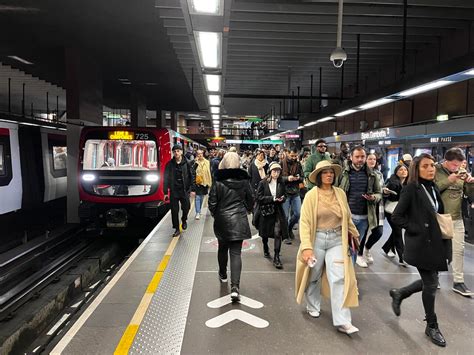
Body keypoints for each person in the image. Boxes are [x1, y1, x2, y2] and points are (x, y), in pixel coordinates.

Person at [390, 153, 452, 347]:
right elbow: (397, 217)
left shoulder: (433, 187)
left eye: (432, 165)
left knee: (430, 281)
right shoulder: (411, 189)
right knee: (432, 284)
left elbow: (437, 213)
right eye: (425, 166)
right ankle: (431, 325)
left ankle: (400, 293)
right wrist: (416, 227)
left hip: (436, 242)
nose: (431, 168)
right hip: (421, 244)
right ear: (417, 169)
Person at [295, 160, 360, 334]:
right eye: (325, 172)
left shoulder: (340, 194)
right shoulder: (311, 195)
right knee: (314, 274)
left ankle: (343, 321)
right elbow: (305, 222)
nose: (329, 175)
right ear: (318, 176)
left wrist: (355, 235)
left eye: (331, 172)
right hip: (317, 239)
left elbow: (347, 217)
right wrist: (307, 248)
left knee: (339, 277)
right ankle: (312, 304)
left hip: (337, 239)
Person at [209, 152, 254, 302]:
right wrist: (246, 208)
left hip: (222, 220)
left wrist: (218, 215)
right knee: (236, 253)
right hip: (239, 219)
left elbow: (212, 203)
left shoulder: (218, 181)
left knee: (222, 248)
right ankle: (235, 288)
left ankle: (223, 274)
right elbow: (251, 201)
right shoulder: (245, 181)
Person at [434, 148, 474, 297]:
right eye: (454, 165)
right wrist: (447, 181)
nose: (456, 168)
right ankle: (434, 276)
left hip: (457, 218)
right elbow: (429, 191)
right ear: (446, 161)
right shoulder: (435, 170)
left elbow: (470, 195)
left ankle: (458, 281)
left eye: (459, 165)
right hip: (438, 217)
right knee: (438, 250)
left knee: (459, 250)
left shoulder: (462, 172)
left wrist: (470, 183)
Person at [336, 146, 382, 268]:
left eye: (362, 157)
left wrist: (373, 198)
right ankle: (341, 271)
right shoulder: (343, 173)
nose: (360, 159)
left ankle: (350, 273)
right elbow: (335, 191)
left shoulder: (372, 175)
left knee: (355, 247)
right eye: (357, 156)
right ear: (351, 157)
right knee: (341, 246)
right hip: (346, 216)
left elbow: (379, 193)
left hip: (363, 218)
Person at [255, 162, 288, 269]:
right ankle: (265, 247)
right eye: (274, 171)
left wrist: (283, 199)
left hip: (277, 210)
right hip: (265, 211)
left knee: (278, 232)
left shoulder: (281, 182)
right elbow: (259, 198)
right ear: (270, 171)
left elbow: (285, 195)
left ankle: (277, 257)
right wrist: (272, 199)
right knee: (265, 234)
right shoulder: (263, 183)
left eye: (278, 171)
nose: (276, 173)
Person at [358, 152, 385, 265]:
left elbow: (380, 189)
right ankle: (359, 255)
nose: (372, 161)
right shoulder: (361, 173)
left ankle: (367, 249)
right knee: (363, 232)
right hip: (365, 206)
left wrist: (384, 191)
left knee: (379, 232)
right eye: (370, 159)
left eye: (374, 159)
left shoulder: (379, 174)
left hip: (378, 206)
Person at [163, 144, 194, 237]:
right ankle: (176, 228)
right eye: (174, 151)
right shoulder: (169, 164)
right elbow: (165, 178)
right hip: (174, 190)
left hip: (184, 190)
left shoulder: (188, 163)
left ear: (181, 152)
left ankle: (184, 220)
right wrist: (165, 192)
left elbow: (192, 176)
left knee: (186, 207)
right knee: (174, 210)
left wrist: (192, 189)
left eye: (178, 151)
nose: (176, 153)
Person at [381, 164, 408, 264]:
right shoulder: (392, 183)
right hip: (391, 212)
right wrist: (386, 193)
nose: (403, 171)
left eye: (405, 169)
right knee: (398, 232)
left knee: (396, 231)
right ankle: (402, 257)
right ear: (396, 172)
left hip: (401, 212)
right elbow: (386, 196)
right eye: (400, 170)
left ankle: (387, 247)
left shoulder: (408, 183)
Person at [281, 147, 304, 244]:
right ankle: (285, 235)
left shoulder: (298, 164)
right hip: (285, 192)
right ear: (287, 154)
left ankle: (289, 228)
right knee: (285, 216)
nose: (294, 158)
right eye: (292, 156)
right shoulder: (281, 163)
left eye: (295, 156)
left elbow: (302, 177)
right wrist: (287, 178)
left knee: (298, 214)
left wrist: (299, 178)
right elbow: (277, 178)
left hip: (295, 192)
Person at [192, 149, 212, 220]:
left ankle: (199, 210)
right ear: (196, 155)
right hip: (197, 182)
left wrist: (210, 181)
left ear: (203, 154)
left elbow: (209, 172)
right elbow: (192, 172)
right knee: (197, 197)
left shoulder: (207, 162)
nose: (200, 155)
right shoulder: (195, 162)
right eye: (198, 154)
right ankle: (197, 212)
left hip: (205, 182)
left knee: (202, 197)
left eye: (201, 154)